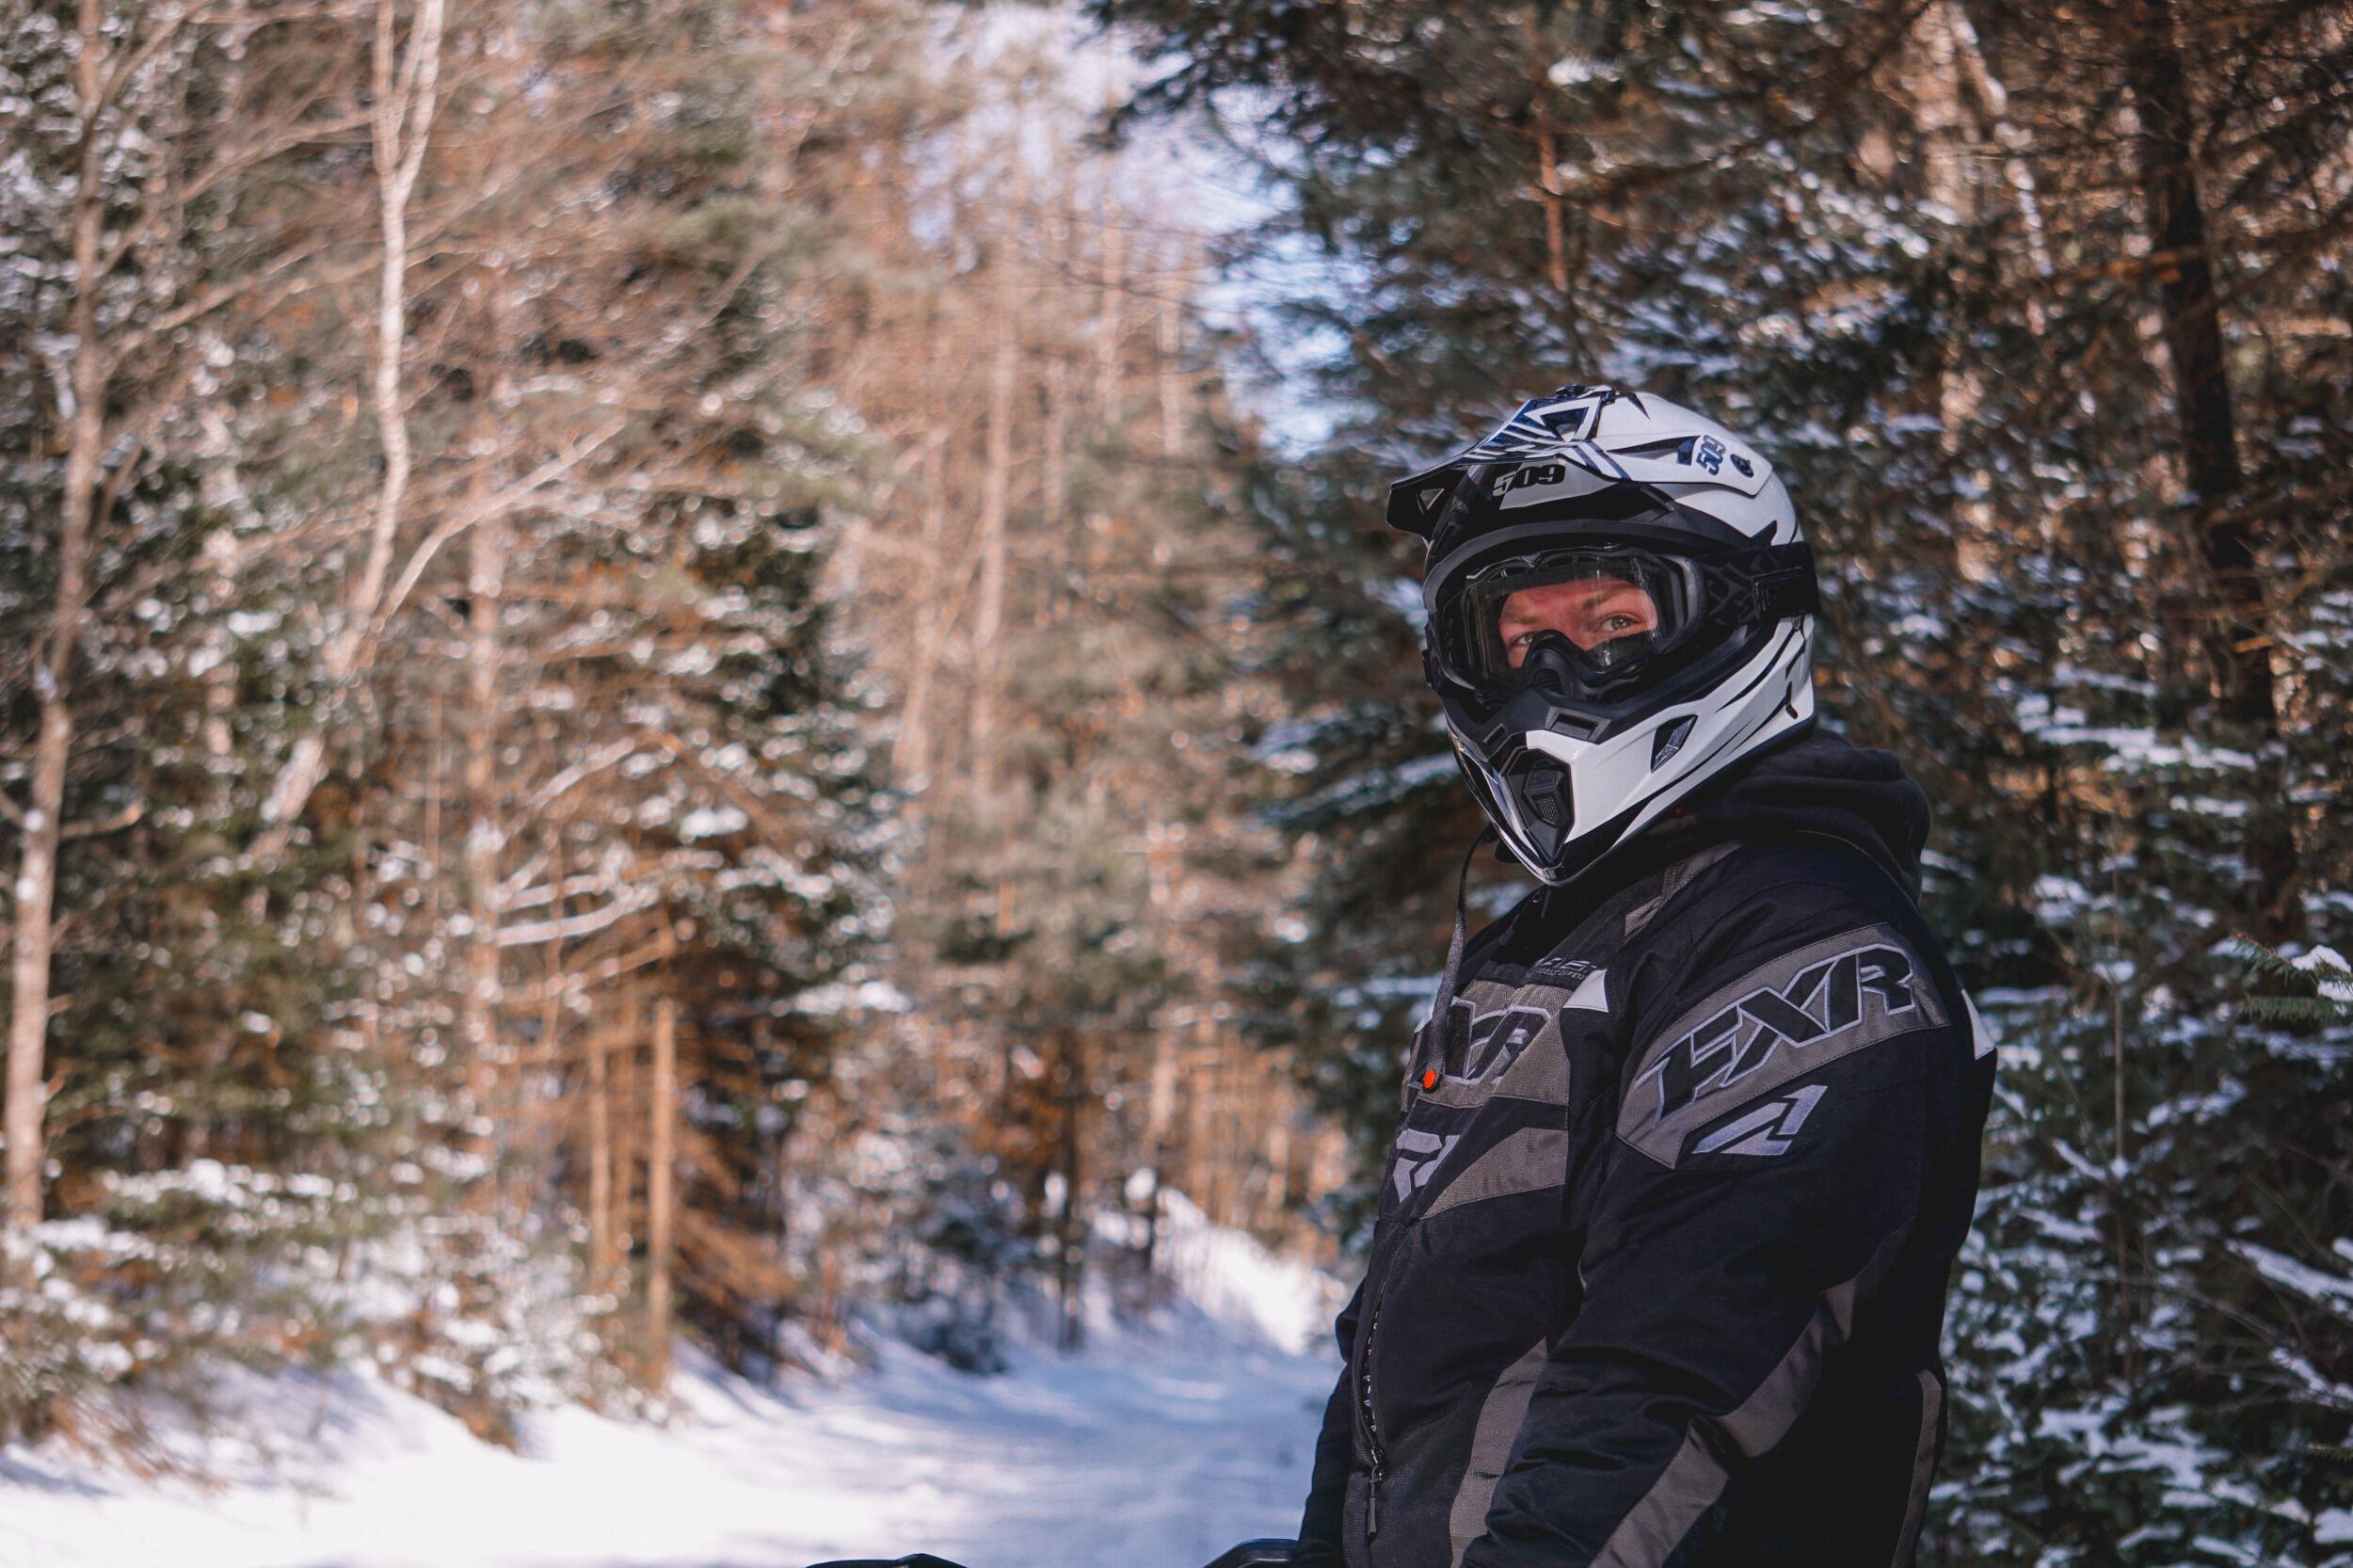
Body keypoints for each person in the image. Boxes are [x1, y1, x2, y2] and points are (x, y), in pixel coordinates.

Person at [1292, 387, 1997, 1568]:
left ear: (1731, 612)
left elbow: (1678, 1375)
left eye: (1611, 618)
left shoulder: (1804, 940)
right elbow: (1404, 1370)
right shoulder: (1559, 945)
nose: (1554, 670)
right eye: (1518, 638)